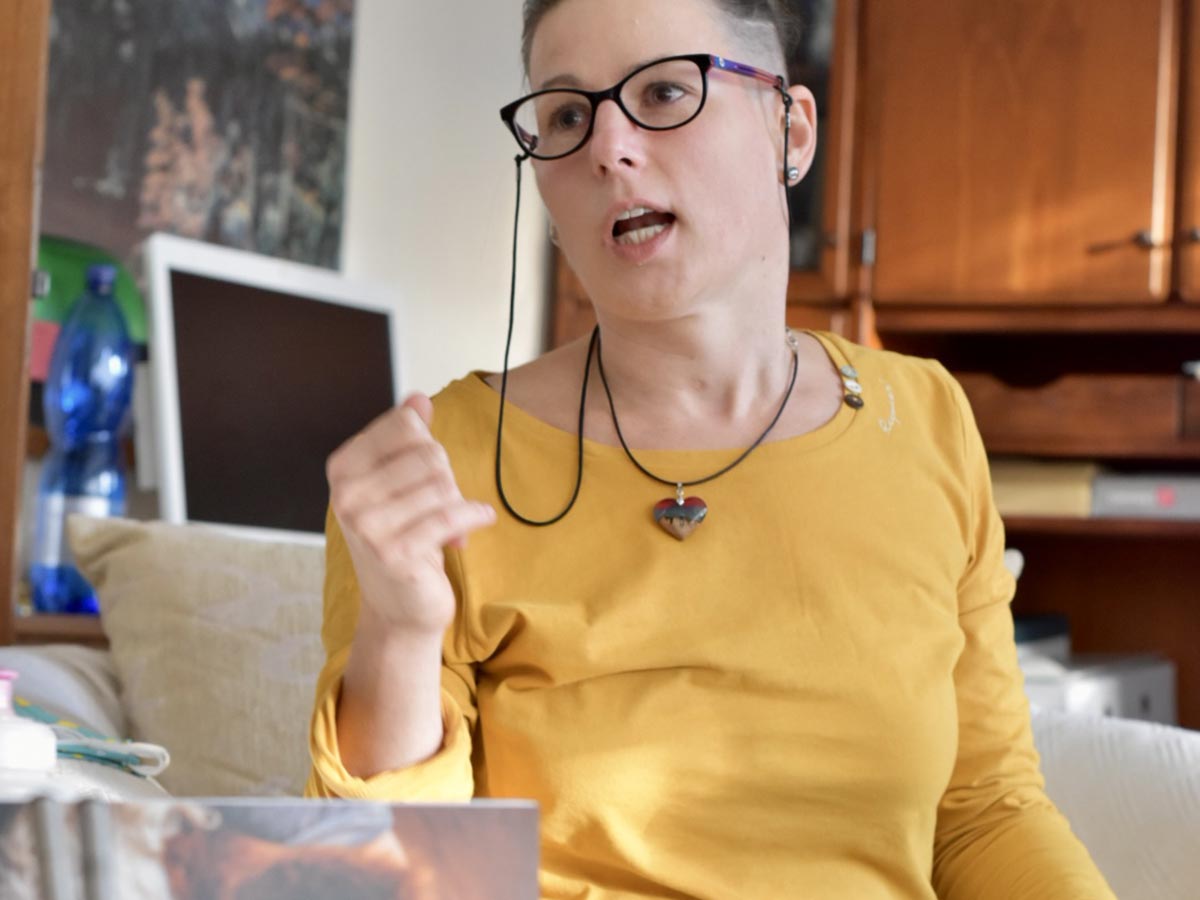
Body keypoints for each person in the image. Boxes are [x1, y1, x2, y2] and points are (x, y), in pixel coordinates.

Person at [308, 0, 1117, 897]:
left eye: (664, 91)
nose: (607, 148)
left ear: (790, 131)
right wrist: (399, 634)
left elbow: (986, 811)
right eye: (567, 115)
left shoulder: (926, 418)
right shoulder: (434, 462)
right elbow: (384, 872)